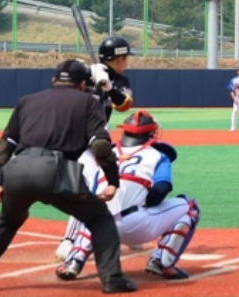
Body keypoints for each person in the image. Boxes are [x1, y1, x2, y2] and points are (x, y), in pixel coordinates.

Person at [0, 60, 136, 294]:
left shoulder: (27, 101)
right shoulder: (87, 102)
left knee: (7, 220)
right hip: (55, 171)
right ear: (83, 84)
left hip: (17, 169)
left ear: (54, 80)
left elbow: (4, 146)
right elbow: (101, 146)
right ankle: (112, 279)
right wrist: (113, 182)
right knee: (100, 219)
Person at [56, 110, 200, 281]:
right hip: (136, 226)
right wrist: (144, 200)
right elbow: (162, 188)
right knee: (190, 207)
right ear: (151, 133)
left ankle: (74, 260)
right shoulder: (158, 155)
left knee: (94, 209)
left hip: (100, 226)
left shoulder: (106, 153)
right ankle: (162, 261)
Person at [55, 36, 135, 260]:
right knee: (87, 186)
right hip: (78, 140)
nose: (126, 61)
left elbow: (125, 104)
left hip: (100, 138)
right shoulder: (85, 75)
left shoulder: (118, 79)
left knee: (123, 174)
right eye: (125, 57)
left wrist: (108, 86)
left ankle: (125, 226)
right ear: (118, 57)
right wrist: (87, 74)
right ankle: (69, 240)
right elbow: (63, 89)